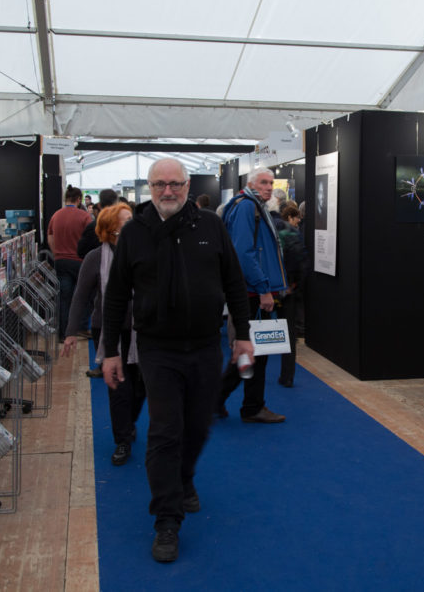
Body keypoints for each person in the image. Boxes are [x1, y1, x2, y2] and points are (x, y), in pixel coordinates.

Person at [101, 157, 252, 563]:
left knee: (198, 427)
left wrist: (243, 337)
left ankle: (184, 478)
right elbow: (115, 297)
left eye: (176, 184)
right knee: (165, 431)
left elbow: (235, 283)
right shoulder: (134, 233)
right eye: (159, 184)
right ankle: (167, 520)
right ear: (148, 189)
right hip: (157, 349)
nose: (168, 191)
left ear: (187, 186)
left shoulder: (211, 226)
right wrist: (111, 351)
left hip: (205, 346)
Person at [62, 203, 146, 466]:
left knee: (141, 386)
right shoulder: (96, 257)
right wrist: (71, 332)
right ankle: (122, 439)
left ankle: (128, 422)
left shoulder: (144, 253)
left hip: (142, 330)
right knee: (119, 387)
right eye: (126, 223)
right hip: (108, 331)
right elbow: (81, 297)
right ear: (111, 230)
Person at [216, 166, 288, 422]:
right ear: (252, 184)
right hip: (251, 296)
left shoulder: (249, 206)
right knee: (251, 352)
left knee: (253, 353)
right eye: (263, 182)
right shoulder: (248, 207)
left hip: (250, 294)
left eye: (271, 183)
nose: (269, 187)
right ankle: (246, 406)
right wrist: (264, 289)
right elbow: (244, 254)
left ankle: (245, 405)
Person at [48, 185, 92, 339]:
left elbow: (50, 237)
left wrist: (56, 253)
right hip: (80, 262)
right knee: (84, 295)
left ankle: (63, 333)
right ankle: (81, 327)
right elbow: (91, 238)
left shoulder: (56, 215)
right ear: (79, 199)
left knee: (63, 298)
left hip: (61, 261)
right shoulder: (84, 217)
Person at [275, 203, 306, 387]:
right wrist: (294, 284)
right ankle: (287, 376)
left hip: (272, 288)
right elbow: (301, 262)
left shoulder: (271, 230)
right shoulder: (292, 234)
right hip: (289, 289)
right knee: (289, 333)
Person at [78, 188, 118, 259]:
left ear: (99, 205)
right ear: (117, 204)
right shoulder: (121, 226)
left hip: (96, 265)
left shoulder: (93, 226)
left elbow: (81, 251)